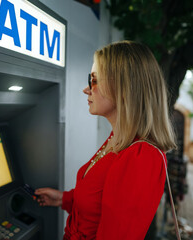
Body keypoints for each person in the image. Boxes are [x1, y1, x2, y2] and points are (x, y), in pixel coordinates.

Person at [35, 40, 176, 240]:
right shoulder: (118, 139)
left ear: (123, 87)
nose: (87, 89)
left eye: (94, 79)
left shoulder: (141, 156)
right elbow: (99, 200)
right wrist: (64, 199)